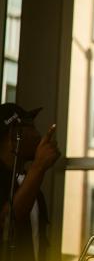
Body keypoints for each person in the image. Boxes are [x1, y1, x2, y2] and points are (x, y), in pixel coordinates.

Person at [0, 103, 60, 261]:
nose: (38, 135)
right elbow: (6, 224)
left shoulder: (30, 185)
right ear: (14, 135)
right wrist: (39, 166)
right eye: (31, 128)